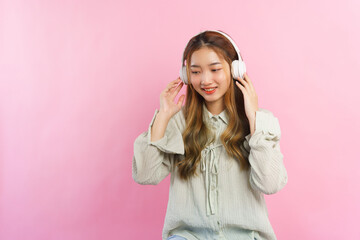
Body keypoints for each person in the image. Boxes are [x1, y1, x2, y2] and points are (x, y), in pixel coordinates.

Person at [132, 30, 288, 240]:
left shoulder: (258, 123)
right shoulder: (178, 122)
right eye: (195, 72)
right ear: (186, 75)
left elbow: (270, 184)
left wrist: (254, 119)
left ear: (235, 70)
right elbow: (145, 175)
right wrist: (163, 117)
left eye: (215, 69)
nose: (205, 80)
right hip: (188, 236)